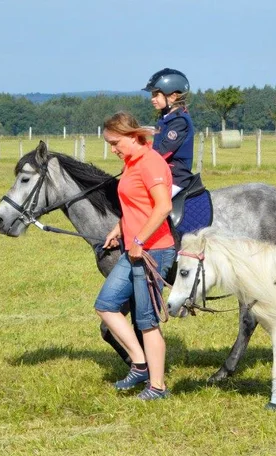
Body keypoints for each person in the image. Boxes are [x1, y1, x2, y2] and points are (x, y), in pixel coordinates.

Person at [95, 111, 176, 400]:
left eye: (115, 143)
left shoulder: (151, 162)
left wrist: (140, 239)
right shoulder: (131, 163)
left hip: (153, 252)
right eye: (110, 144)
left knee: (146, 321)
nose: (113, 149)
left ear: (131, 136)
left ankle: (158, 388)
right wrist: (119, 228)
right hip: (134, 250)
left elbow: (163, 206)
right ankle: (140, 364)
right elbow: (134, 203)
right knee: (105, 305)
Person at [143, 68, 195, 197]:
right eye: (152, 95)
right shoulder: (165, 118)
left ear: (173, 96)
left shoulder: (179, 121)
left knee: (151, 203)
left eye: (156, 95)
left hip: (176, 178)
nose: (152, 99)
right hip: (161, 174)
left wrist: (139, 161)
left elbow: (162, 152)